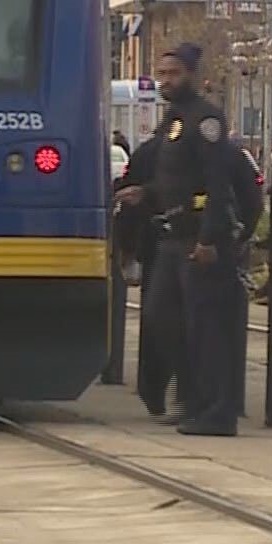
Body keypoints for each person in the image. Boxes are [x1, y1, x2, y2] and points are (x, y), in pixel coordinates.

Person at [112, 42, 238, 437]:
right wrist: (145, 194)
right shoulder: (174, 121)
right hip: (169, 234)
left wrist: (210, 237)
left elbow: (218, 184)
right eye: (162, 74)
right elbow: (174, 178)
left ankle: (218, 411)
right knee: (161, 318)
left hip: (196, 237)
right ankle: (192, 399)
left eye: (174, 74)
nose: (166, 81)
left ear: (192, 76)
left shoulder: (206, 120)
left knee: (206, 328)